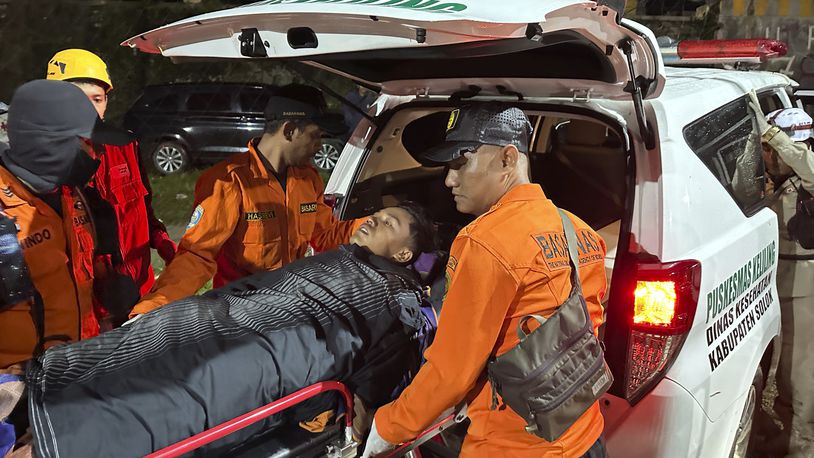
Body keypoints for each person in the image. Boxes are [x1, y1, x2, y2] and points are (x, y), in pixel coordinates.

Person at [26, 202, 437, 458]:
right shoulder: (342, 257)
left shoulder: (395, 303)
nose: (373, 220)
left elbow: (372, 386)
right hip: (227, 315)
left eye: (387, 223)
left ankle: (53, 437)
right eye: (377, 215)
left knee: (174, 386)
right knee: (163, 332)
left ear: (404, 253)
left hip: (263, 353)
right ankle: (36, 403)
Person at [362, 105, 608, 458]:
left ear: (508, 159)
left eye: (460, 163)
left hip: (512, 448)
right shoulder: (581, 231)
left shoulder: (484, 242)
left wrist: (387, 428)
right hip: (585, 436)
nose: (449, 180)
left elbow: (452, 372)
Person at [131, 84, 356, 316]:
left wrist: (385, 223)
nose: (319, 146)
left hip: (290, 305)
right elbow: (198, 255)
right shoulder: (229, 181)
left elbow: (326, 234)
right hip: (241, 314)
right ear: (289, 130)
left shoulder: (308, 179)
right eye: (315, 136)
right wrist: (153, 308)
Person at [0, 79, 132, 369]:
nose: (95, 155)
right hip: (18, 394)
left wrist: (109, 290)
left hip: (77, 369)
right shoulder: (4, 210)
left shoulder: (72, 194)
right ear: (45, 144)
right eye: (83, 144)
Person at [46, 48, 176, 329]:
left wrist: (166, 246)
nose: (90, 109)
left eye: (98, 99)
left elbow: (145, 209)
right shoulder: (43, 163)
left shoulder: (125, 145)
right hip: (87, 312)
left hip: (141, 295)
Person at [749, 93, 814, 457]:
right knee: (782, 368)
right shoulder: (775, 182)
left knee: (803, 370)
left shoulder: (808, 175)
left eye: (770, 149)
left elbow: (807, 165)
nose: (767, 157)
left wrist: (772, 135)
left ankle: (803, 444)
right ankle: (786, 432)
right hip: (778, 282)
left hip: (806, 286)